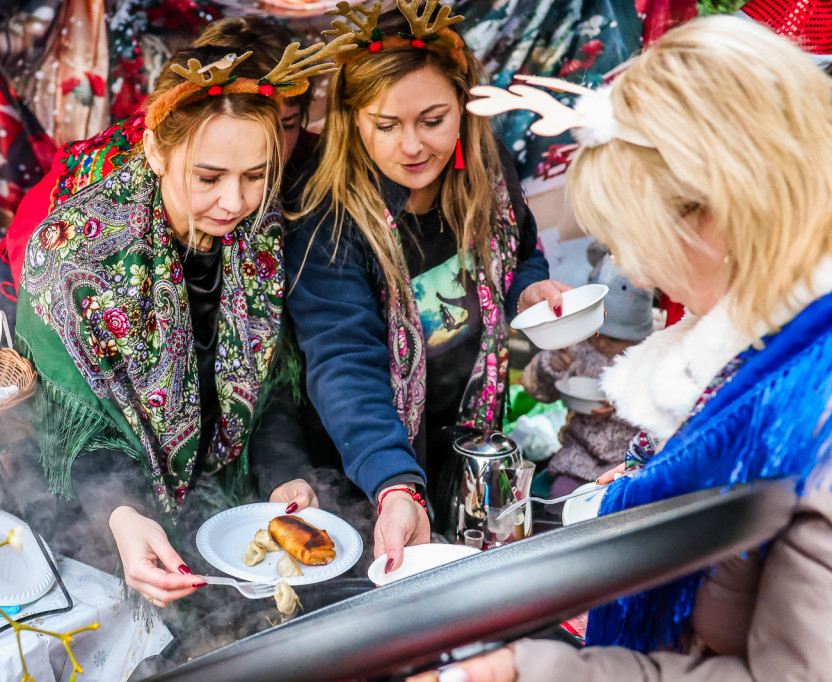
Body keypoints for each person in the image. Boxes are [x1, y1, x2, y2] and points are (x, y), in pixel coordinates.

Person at [416, 16, 832, 681]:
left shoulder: (812, 408)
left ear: (720, 213)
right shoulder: (757, 352)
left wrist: (535, 672)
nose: (636, 272)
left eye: (636, 239)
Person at [15, 37, 342, 609]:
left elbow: (270, 390)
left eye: (255, 175)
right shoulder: (72, 256)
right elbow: (69, 425)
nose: (234, 202)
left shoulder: (259, 232)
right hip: (102, 527)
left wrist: (285, 473)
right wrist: (120, 513)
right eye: (209, 177)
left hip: (232, 518)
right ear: (155, 150)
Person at [284, 0, 569, 572]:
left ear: (464, 105)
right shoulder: (327, 217)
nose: (412, 147)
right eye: (386, 126)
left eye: (432, 121)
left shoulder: (488, 172)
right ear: (353, 119)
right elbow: (343, 360)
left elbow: (522, 253)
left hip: (465, 438)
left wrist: (527, 292)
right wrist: (393, 482)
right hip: (361, 466)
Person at [0, 14, 320, 316]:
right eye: (208, 177)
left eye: (285, 125)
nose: (264, 141)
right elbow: (39, 262)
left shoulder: (306, 161)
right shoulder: (109, 178)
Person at [522, 246, 653, 497]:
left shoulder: (650, 357)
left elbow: (666, 413)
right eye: (597, 334)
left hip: (627, 462)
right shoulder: (578, 348)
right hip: (578, 455)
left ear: (639, 336)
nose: (601, 344)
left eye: (614, 340)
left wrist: (621, 406)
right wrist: (551, 364)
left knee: (622, 503)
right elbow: (536, 390)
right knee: (561, 495)